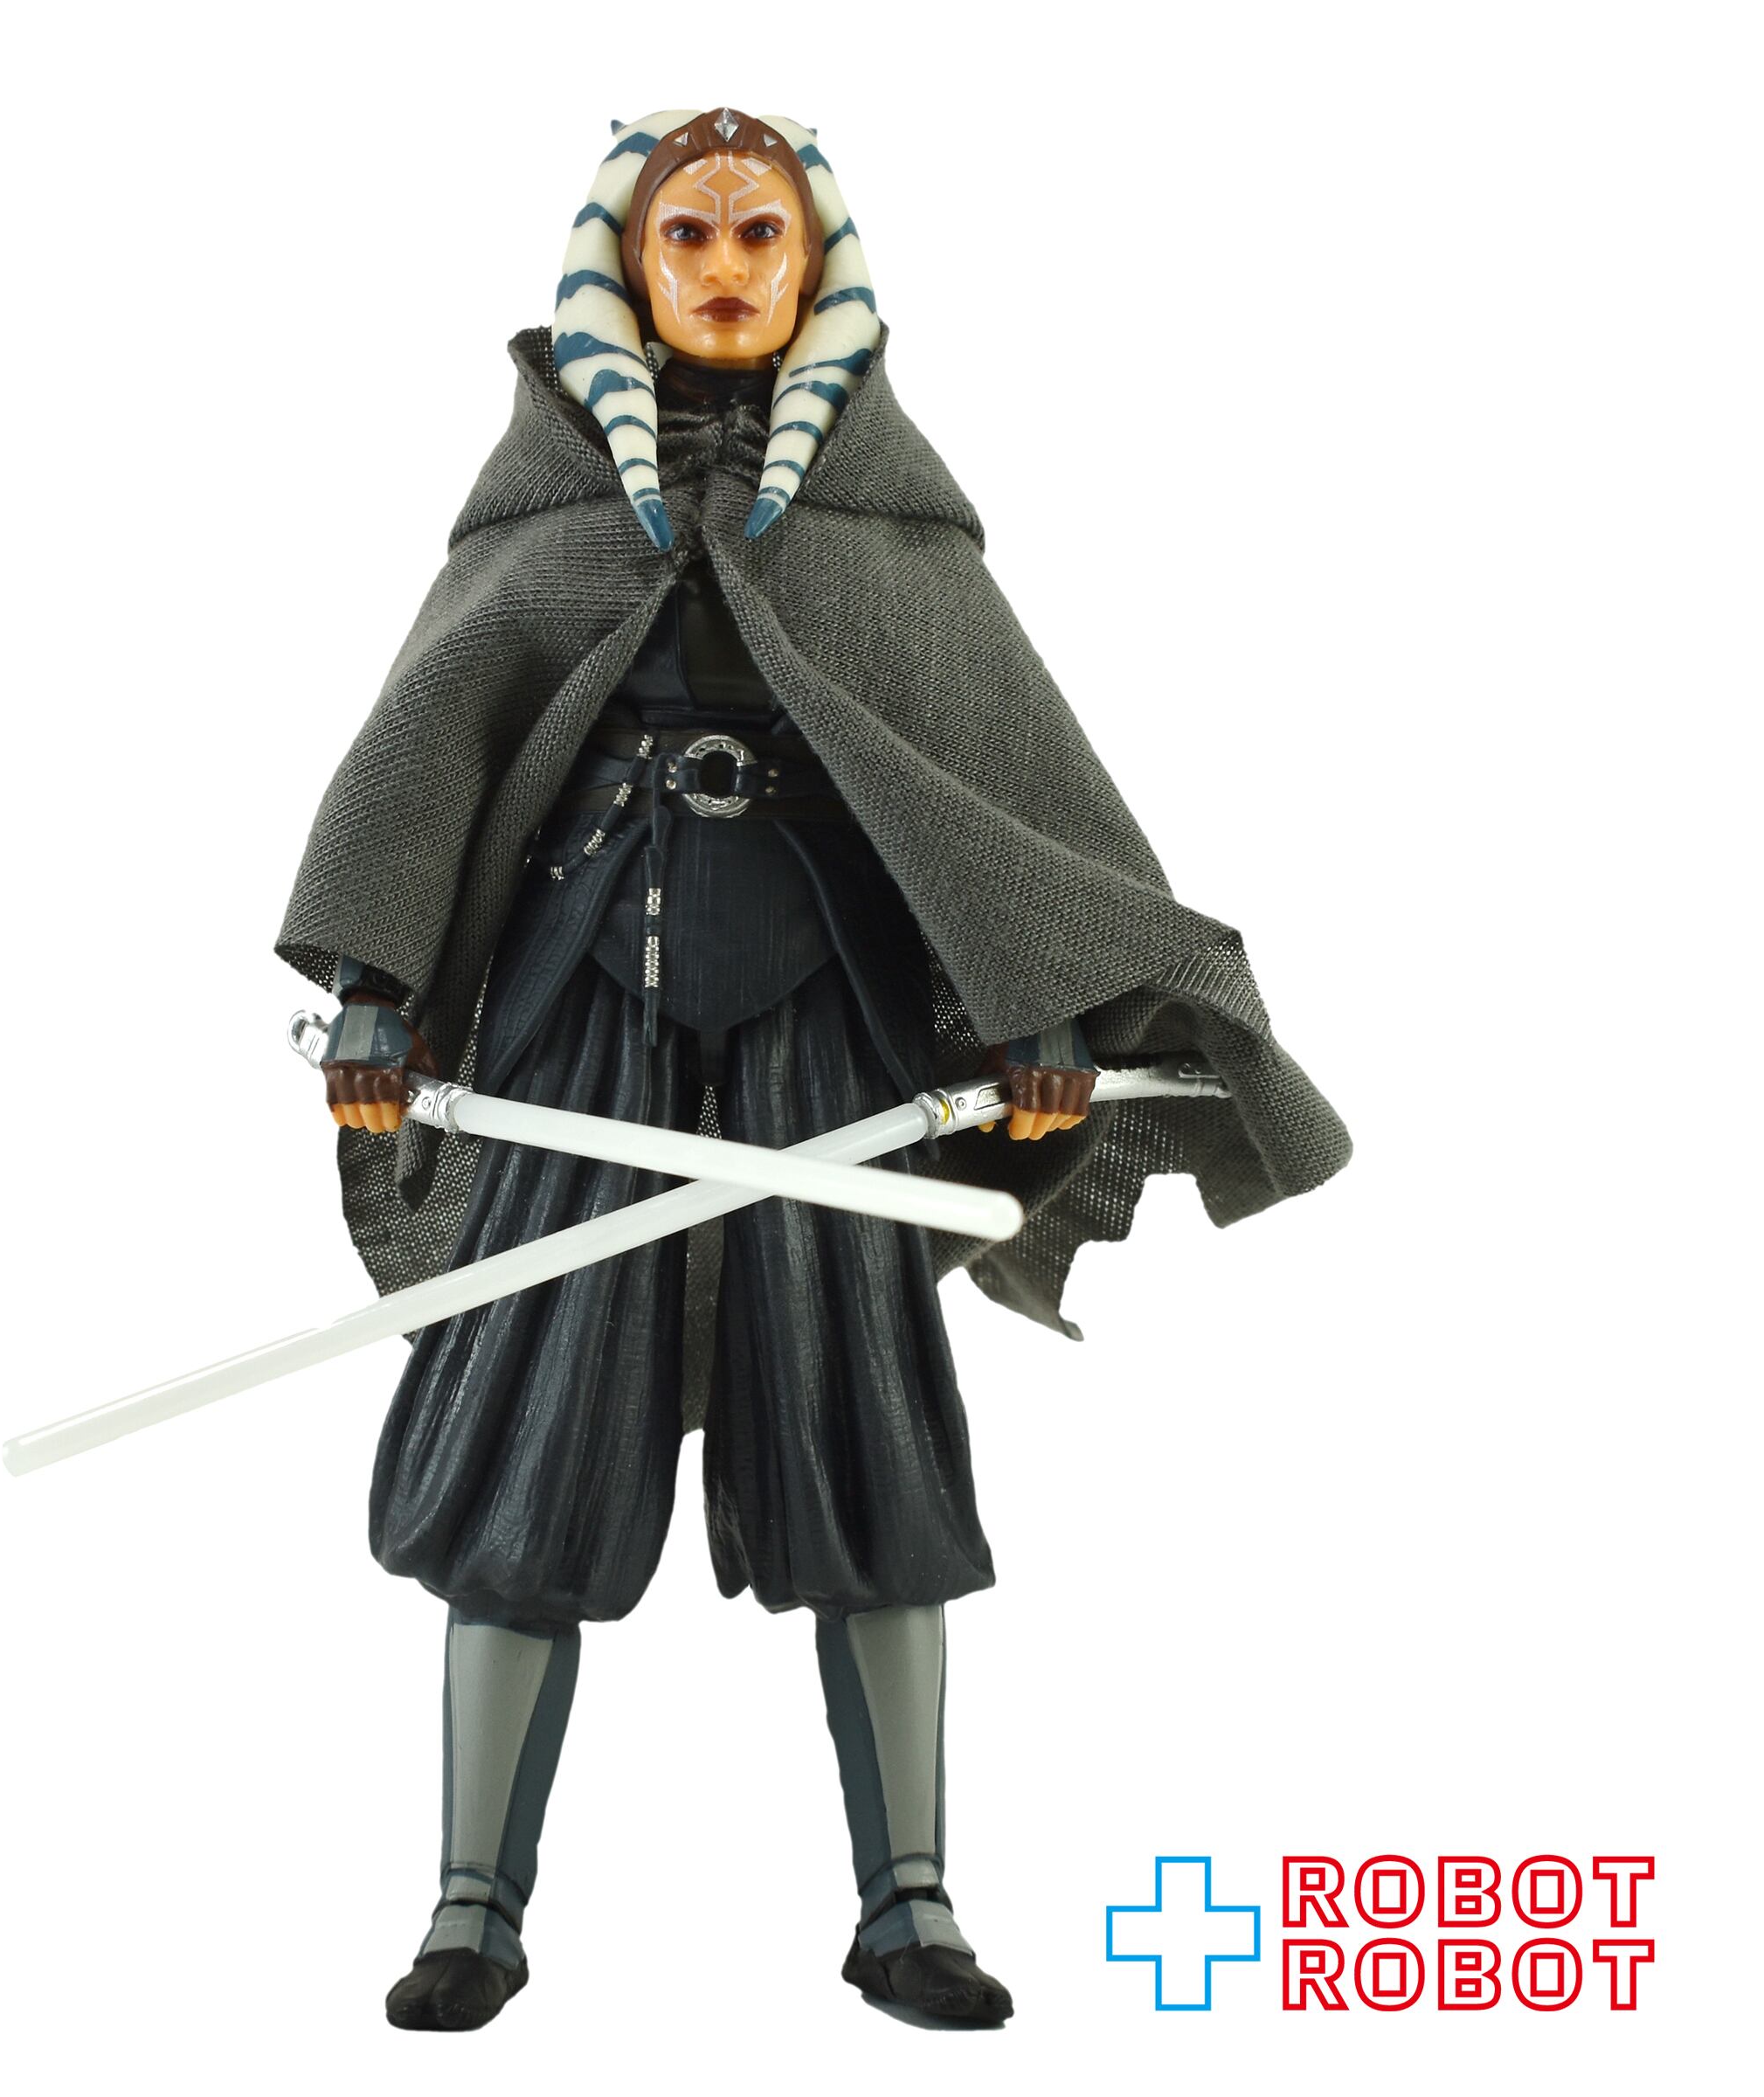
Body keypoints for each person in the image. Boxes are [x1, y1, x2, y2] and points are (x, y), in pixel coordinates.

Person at [278, 107, 1349, 2031]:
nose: (722, 271)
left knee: (863, 1425)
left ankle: (908, 1904)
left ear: (815, 261)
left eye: (757, 236)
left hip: (831, 1027)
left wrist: (1039, 1011)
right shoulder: (547, 503)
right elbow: (432, 745)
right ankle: (470, 1906)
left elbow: (994, 782)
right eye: (684, 238)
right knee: (534, 1418)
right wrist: (376, 988)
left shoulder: (879, 518)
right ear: (625, 265)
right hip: (578, 1017)